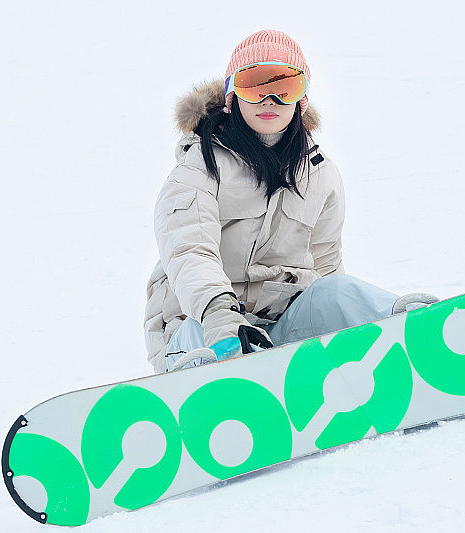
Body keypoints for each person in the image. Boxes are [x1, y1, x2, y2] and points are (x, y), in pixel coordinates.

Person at [144, 30, 436, 373]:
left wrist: (344, 322)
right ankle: (199, 390)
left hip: (282, 329)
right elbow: (190, 253)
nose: (269, 100)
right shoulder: (197, 169)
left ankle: (415, 340)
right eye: (254, 85)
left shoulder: (319, 174)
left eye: (285, 88)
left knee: (338, 291)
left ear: (302, 100)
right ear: (231, 96)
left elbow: (325, 265)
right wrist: (221, 317)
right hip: (202, 325)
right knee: (206, 334)